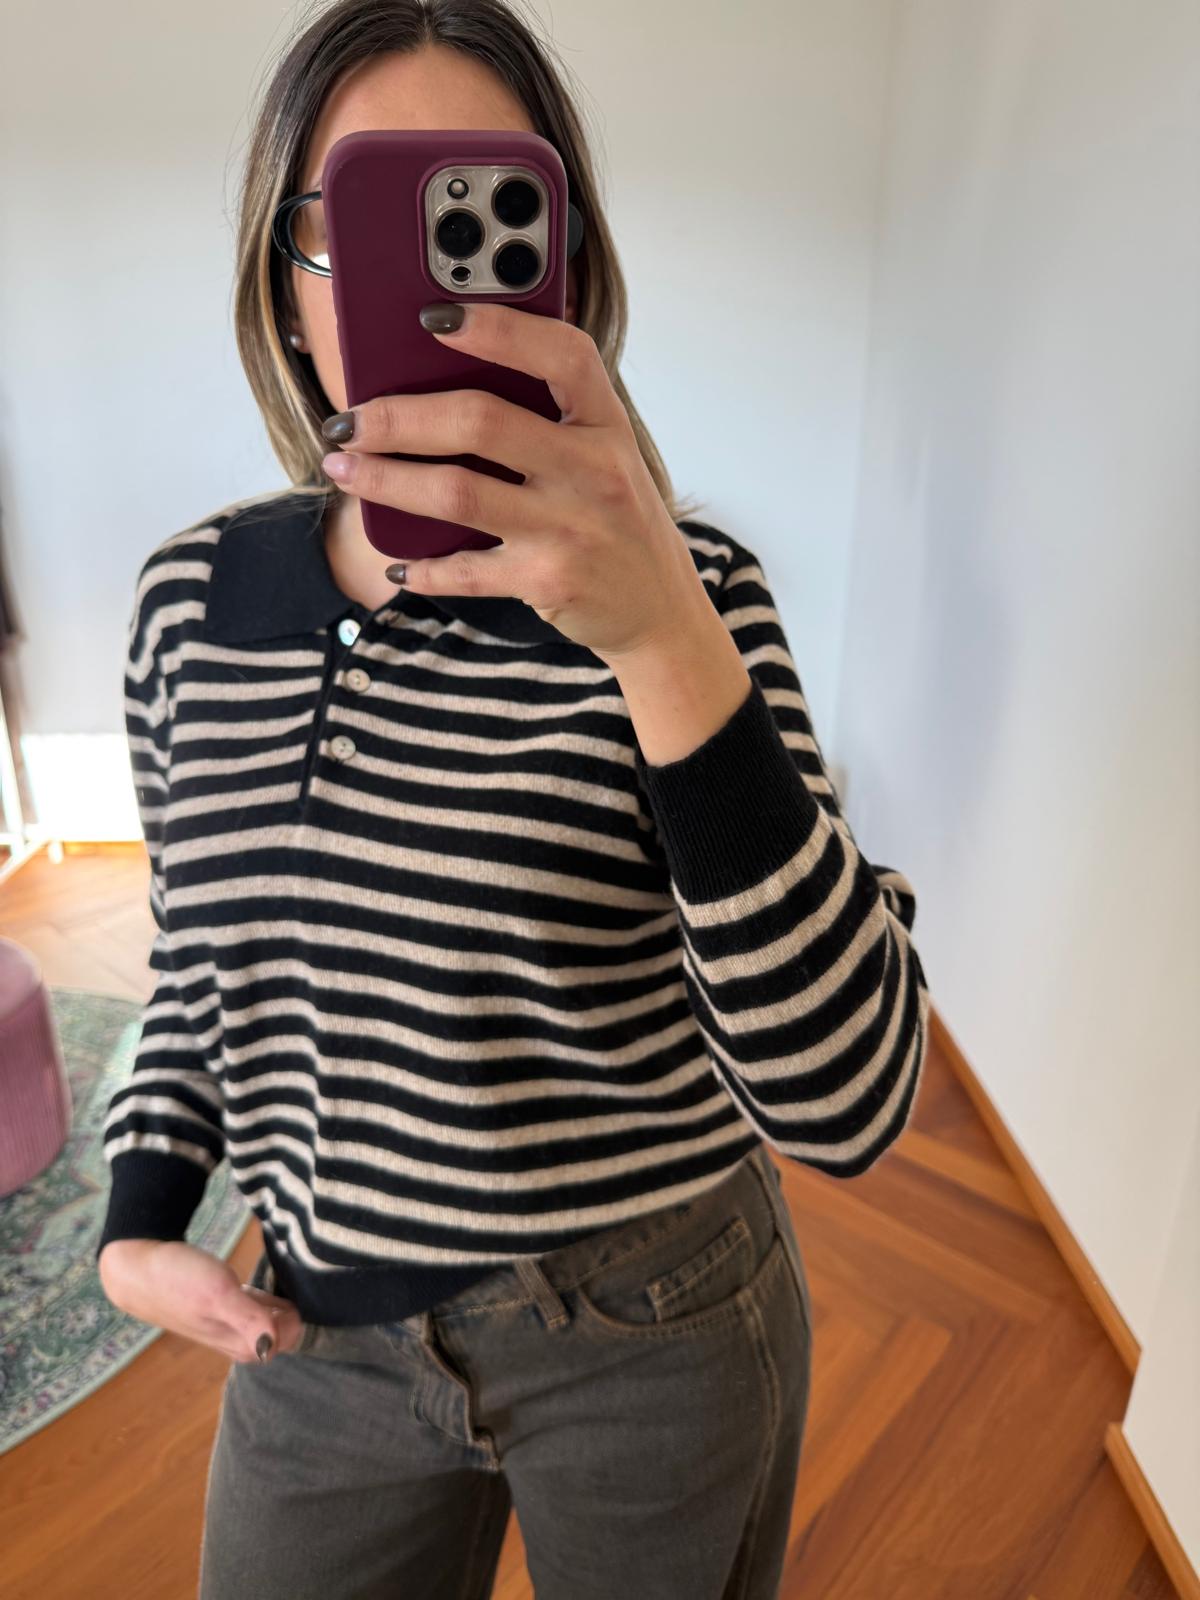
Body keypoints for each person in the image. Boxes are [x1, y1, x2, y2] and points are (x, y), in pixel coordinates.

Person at [95, 2, 931, 1596]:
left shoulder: (695, 595)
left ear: (564, 263)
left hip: (658, 1329)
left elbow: (850, 1099)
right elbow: (198, 964)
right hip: (319, 1335)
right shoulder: (190, 606)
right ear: (286, 284)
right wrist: (142, 1216)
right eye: (362, 221)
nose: (428, 282)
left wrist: (661, 633)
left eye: (480, 209)